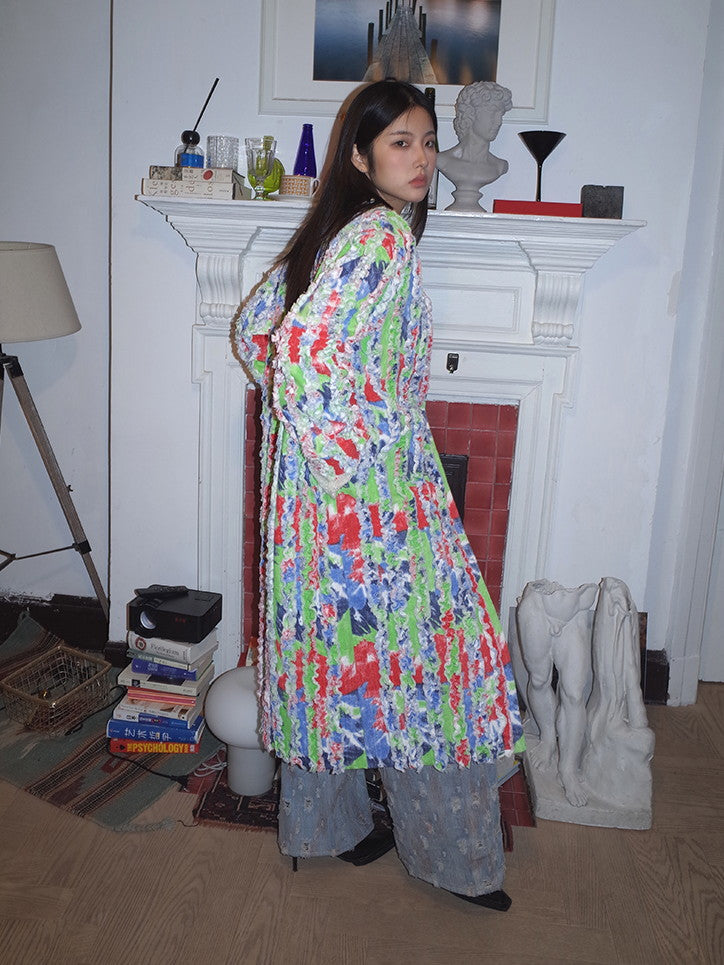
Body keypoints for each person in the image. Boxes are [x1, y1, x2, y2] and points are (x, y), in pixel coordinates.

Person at [232, 79, 524, 911]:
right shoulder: (381, 238)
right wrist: (367, 453)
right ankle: (452, 860)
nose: (422, 157)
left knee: (337, 661)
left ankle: (327, 829)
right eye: (402, 142)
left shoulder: (335, 230)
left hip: (318, 509)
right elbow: (300, 356)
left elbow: (257, 334)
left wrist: (316, 460)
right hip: (373, 503)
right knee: (427, 671)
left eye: (428, 141)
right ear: (360, 156)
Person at [436, 81, 512, 211]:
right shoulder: (441, 160)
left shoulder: (499, 166)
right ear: (471, 113)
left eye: (501, 115)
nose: (499, 121)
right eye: (493, 112)